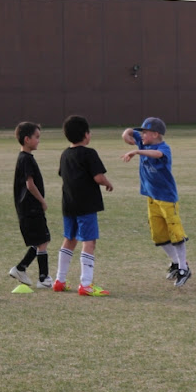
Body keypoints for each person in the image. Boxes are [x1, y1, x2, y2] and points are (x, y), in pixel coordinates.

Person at [121, 117, 191, 287]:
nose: (141, 135)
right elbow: (128, 132)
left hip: (167, 198)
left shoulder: (163, 148)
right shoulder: (143, 142)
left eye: (145, 132)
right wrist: (127, 135)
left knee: (175, 233)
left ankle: (184, 268)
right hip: (152, 197)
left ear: (155, 134)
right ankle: (175, 262)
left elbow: (158, 154)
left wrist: (137, 152)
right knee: (158, 235)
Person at [54, 115, 114, 296]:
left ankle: (59, 280)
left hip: (68, 204)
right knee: (89, 242)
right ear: (86, 134)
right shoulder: (89, 153)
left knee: (69, 239)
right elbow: (98, 177)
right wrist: (107, 183)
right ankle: (86, 284)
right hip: (86, 205)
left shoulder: (65, 154)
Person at [9, 122, 52, 289]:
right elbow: (30, 184)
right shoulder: (26, 159)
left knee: (39, 239)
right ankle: (43, 278)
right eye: (37, 137)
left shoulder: (25, 158)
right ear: (27, 139)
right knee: (43, 240)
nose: (39, 140)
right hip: (31, 207)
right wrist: (42, 201)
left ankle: (21, 268)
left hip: (28, 208)